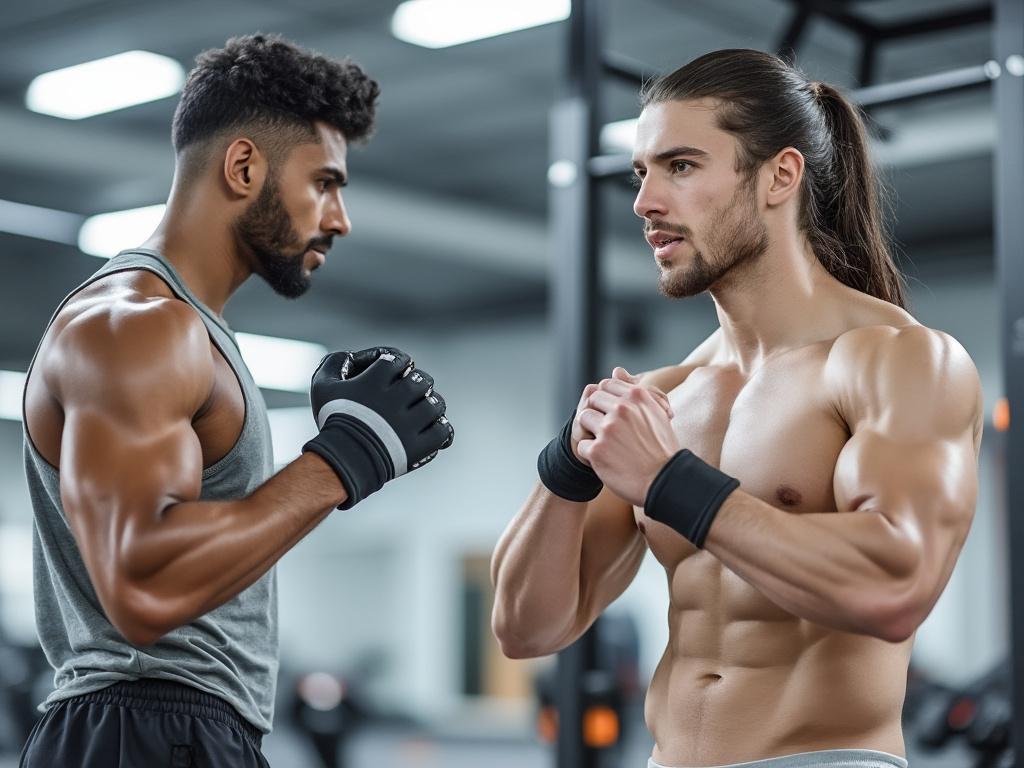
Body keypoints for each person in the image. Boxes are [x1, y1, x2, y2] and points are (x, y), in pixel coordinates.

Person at [491, 48, 981, 768]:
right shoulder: (667, 395)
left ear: (780, 175)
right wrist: (565, 466)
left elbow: (895, 585)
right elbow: (528, 628)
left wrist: (670, 485)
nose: (645, 203)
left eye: (681, 167)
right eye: (641, 173)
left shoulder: (896, 360)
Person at [20, 34, 454, 767]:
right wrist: (340, 463)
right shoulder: (139, 327)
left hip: (183, 727)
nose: (340, 218)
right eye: (324, 182)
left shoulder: (188, 332)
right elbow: (141, 587)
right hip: (144, 726)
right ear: (244, 166)